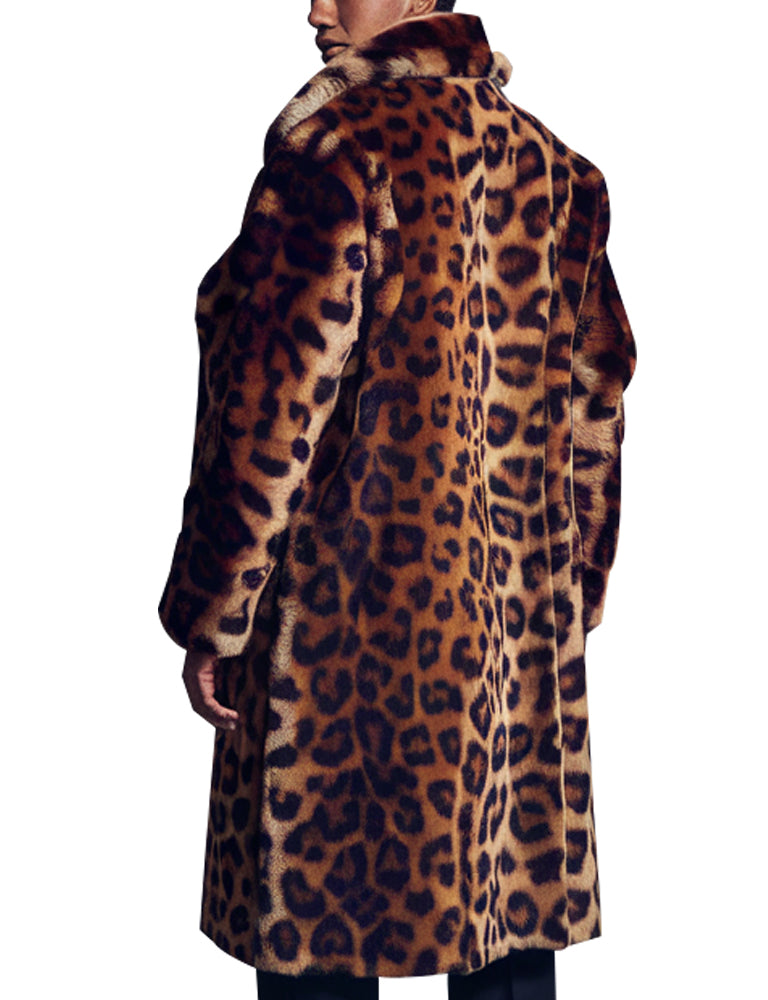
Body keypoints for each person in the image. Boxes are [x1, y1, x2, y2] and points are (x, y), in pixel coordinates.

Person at [157, 1, 636, 997]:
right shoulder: (556, 171)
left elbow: (274, 410)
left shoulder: (339, 152)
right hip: (513, 648)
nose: (317, 9)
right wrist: (571, 595)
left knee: (321, 931)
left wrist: (216, 611)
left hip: (340, 647)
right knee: (505, 928)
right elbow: (598, 396)